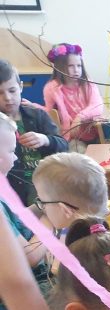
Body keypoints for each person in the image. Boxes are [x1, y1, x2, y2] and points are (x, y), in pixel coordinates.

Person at [0, 113, 51, 310]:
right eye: (11, 151)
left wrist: (42, 207)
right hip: (14, 299)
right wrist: (50, 223)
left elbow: (14, 222)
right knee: (85, 297)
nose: (15, 158)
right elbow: (28, 257)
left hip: (16, 288)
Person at [0, 59, 68, 205]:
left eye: (12, 91)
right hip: (14, 190)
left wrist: (45, 140)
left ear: (20, 87)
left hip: (47, 181)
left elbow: (63, 146)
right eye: (0, 93)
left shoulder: (38, 115)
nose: (8, 98)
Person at [42, 42, 104, 147]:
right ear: (60, 67)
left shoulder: (88, 83)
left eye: (79, 66)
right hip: (71, 137)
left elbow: (97, 106)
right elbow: (49, 112)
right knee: (78, 151)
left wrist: (80, 117)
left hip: (95, 133)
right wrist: (33, 107)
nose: (76, 70)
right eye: (71, 66)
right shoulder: (51, 88)